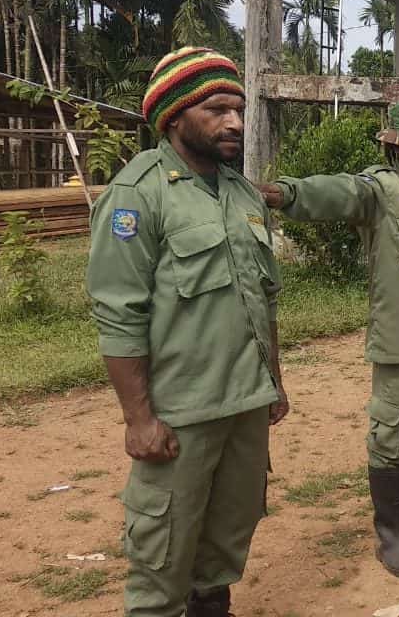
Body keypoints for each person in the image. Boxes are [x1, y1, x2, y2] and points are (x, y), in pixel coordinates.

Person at [86, 47, 288, 617]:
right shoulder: (137, 194)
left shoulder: (243, 193)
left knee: (226, 541)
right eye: (218, 109)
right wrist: (138, 419)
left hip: (244, 404)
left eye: (239, 109)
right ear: (174, 116)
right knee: (163, 557)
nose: (236, 123)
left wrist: (273, 381)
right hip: (181, 415)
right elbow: (119, 314)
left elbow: (263, 297)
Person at [257, 95, 399, 580]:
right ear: (398, 150)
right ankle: (392, 536)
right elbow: (333, 193)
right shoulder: (379, 193)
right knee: (391, 439)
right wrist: (280, 193)